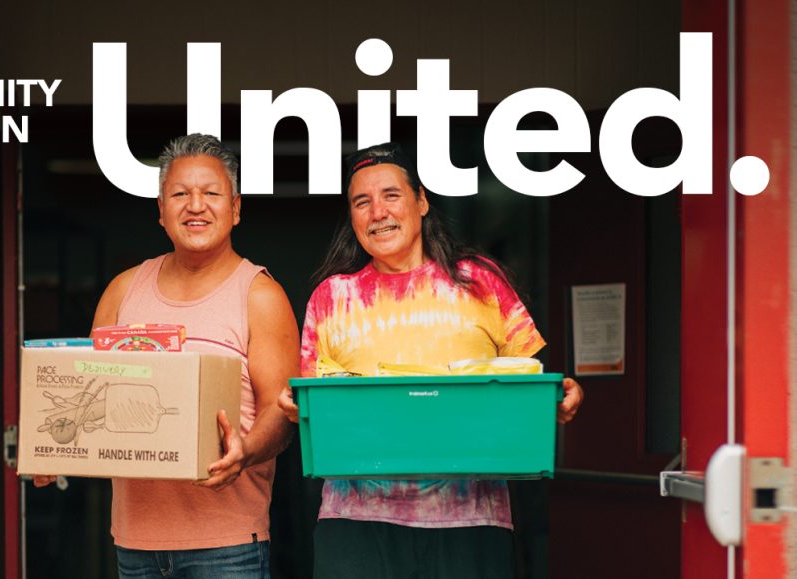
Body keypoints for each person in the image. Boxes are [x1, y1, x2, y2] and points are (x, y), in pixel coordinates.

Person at [277, 142, 583, 578]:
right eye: (361, 202)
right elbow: (314, 404)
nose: (377, 212)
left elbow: (528, 383)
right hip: (356, 524)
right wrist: (293, 406)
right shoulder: (332, 297)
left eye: (391, 195)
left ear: (421, 201)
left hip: (470, 521)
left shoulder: (480, 282)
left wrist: (562, 395)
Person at [36, 134, 299, 579]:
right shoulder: (123, 290)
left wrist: (245, 452)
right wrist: (55, 451)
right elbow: (93, 393)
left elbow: (284, 414)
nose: (195, 205)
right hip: (135, 543)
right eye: (180, 194)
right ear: (161, 210)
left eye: (211, 193)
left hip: (227, 545)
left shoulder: (260, 295)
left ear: (235, 208)